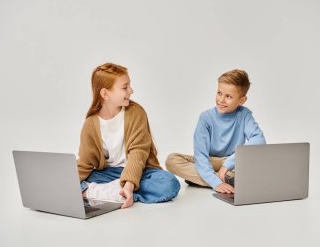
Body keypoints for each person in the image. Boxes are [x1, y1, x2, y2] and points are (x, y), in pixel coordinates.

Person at [77, 62, 180, 209]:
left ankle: (113, 192)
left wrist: (130, 184)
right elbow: (86, 163)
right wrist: (66, 180)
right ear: (105, 94)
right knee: (70, 179)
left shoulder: (136, 112)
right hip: (109, 174)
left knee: (169, 183)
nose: (131, 91)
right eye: (125, 87)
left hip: (141, 170)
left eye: (129, 85)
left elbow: (138, 153)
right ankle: (116, 192)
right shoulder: (90, 124)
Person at [165, 69, 266, 194]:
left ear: (242, 100)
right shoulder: (205, 118)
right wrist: (215, 182)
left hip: (232, 162)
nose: (221, 100)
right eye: (219, 93)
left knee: (258, 163)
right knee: (172, 160)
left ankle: (202, 179)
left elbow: (259, 140)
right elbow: (201, 156)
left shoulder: (244, 114)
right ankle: (222, 181)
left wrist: (227, 165)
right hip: (210, 161)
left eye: (228, 96)